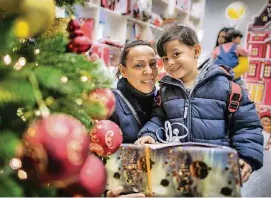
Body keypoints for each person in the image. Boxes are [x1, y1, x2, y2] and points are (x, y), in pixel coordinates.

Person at [136, 25, 264, 183]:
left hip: (217, 172)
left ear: (196, 51)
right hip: (176, 171)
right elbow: (158, 118)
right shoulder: (165, 91)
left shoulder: (227, 87)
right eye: (165, 59)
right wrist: (150, 133)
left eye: (176, 54)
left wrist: (247, 157)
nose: (170, 63)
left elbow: (247, 125)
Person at [106, 40, 158, 197]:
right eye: (139, 65)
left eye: (152, 63)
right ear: (123, 70)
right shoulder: (109, 103)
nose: (148, 71)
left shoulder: (165, 102)